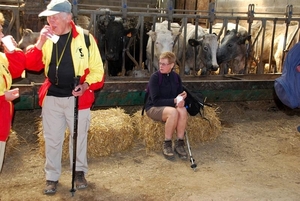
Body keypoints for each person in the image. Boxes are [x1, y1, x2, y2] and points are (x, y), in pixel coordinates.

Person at [25, 0, 105, 195]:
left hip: (78, 97)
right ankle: (52, 177)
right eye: (48, 17)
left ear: (68, 18)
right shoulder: (46, 38)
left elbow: (98, 71)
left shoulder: (85, 39)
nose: (50, 21)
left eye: (54, 17)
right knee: (52, 139)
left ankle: (79, 172)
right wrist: (40, 42)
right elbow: (32, 65)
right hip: (52, 94)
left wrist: (86, 85)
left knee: (78, 138)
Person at [144, 51, 188, 160]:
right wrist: (174, 101)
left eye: (164, 64)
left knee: (182, 110)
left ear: (172, 65)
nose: (161, 66)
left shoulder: (176, 77)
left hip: (169, 106)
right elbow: (156, 101)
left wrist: (182, 98)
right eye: (160, 63)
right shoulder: (155, 77)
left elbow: (179, 94)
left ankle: (179, 143)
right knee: (173, 113)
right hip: (154, 107)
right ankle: (167, 143)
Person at [0, 12, 26, 172]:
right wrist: (3, 97)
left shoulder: (1, 57)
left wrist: (11, 52)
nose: (2, 34)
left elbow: (17, 70)